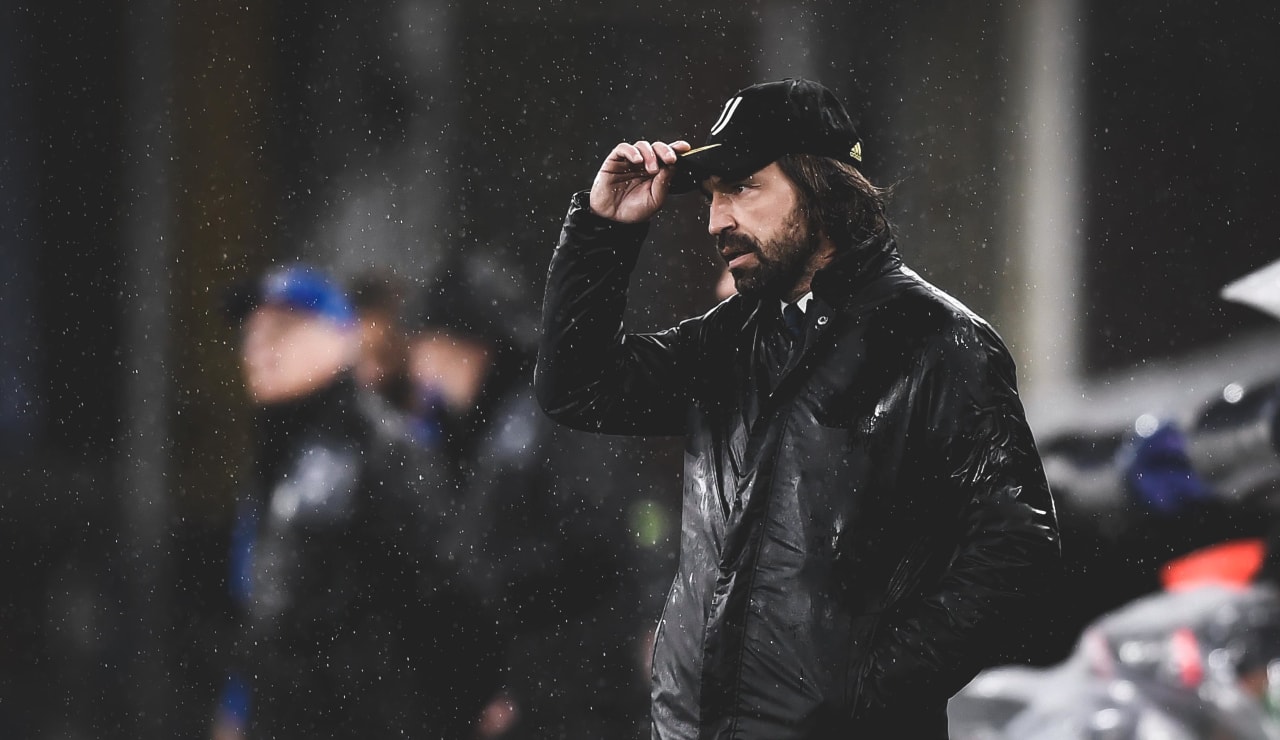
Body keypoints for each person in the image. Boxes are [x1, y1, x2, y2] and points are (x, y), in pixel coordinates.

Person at [535, 78, 1062, 738]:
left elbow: (1018, 556)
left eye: (742, 187)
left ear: (823, 189)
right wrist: (604, 230)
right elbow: (579, 388)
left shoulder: (937, 341)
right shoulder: (731, 340)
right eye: (711, 194)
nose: (716, 220)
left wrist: (863, 696)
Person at [212, 264, 500, 739]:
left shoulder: (382, 448)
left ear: (341, 339)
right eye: (251, 335)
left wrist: (457, 705)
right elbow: (265, 612)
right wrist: (239, 709)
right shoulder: (280, 450)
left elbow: (448, 593)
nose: (258, 349)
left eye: (281, 331)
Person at [409, 253, 659, 738]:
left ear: (470, 346)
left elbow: (594, 551)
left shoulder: (540, 418)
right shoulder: (492, 423)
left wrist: (523, 684)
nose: (423, 372)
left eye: (430, 349)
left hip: (572, 692)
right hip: (544, 686)